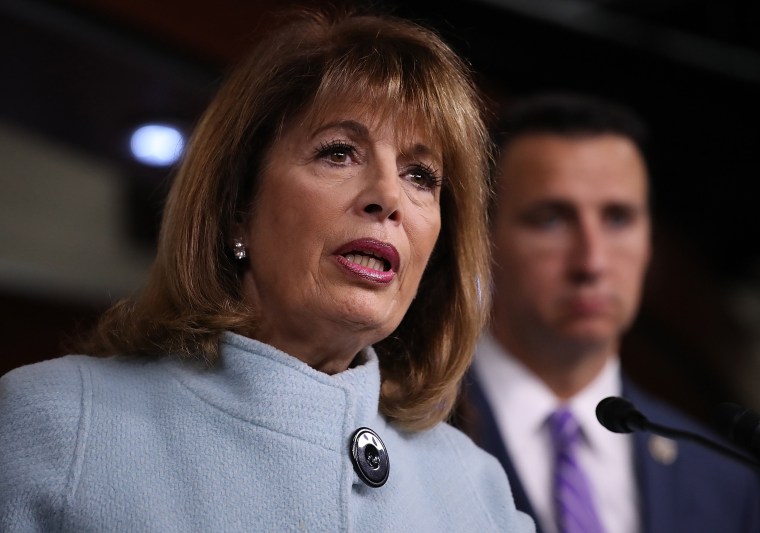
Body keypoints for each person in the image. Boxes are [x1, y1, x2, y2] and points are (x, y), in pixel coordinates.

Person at [0, 9, 535, 532]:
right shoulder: (55, 425)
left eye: (421, 175)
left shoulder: (476, 486)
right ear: (237, 208)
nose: (389, 197)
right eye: (339, 153)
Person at [458, 93, 760, 533]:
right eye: (550, 220)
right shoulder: (406, 420)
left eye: (618, 219)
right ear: (481, 240)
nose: (592, 262)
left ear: (649, 244)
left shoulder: (726, 482)